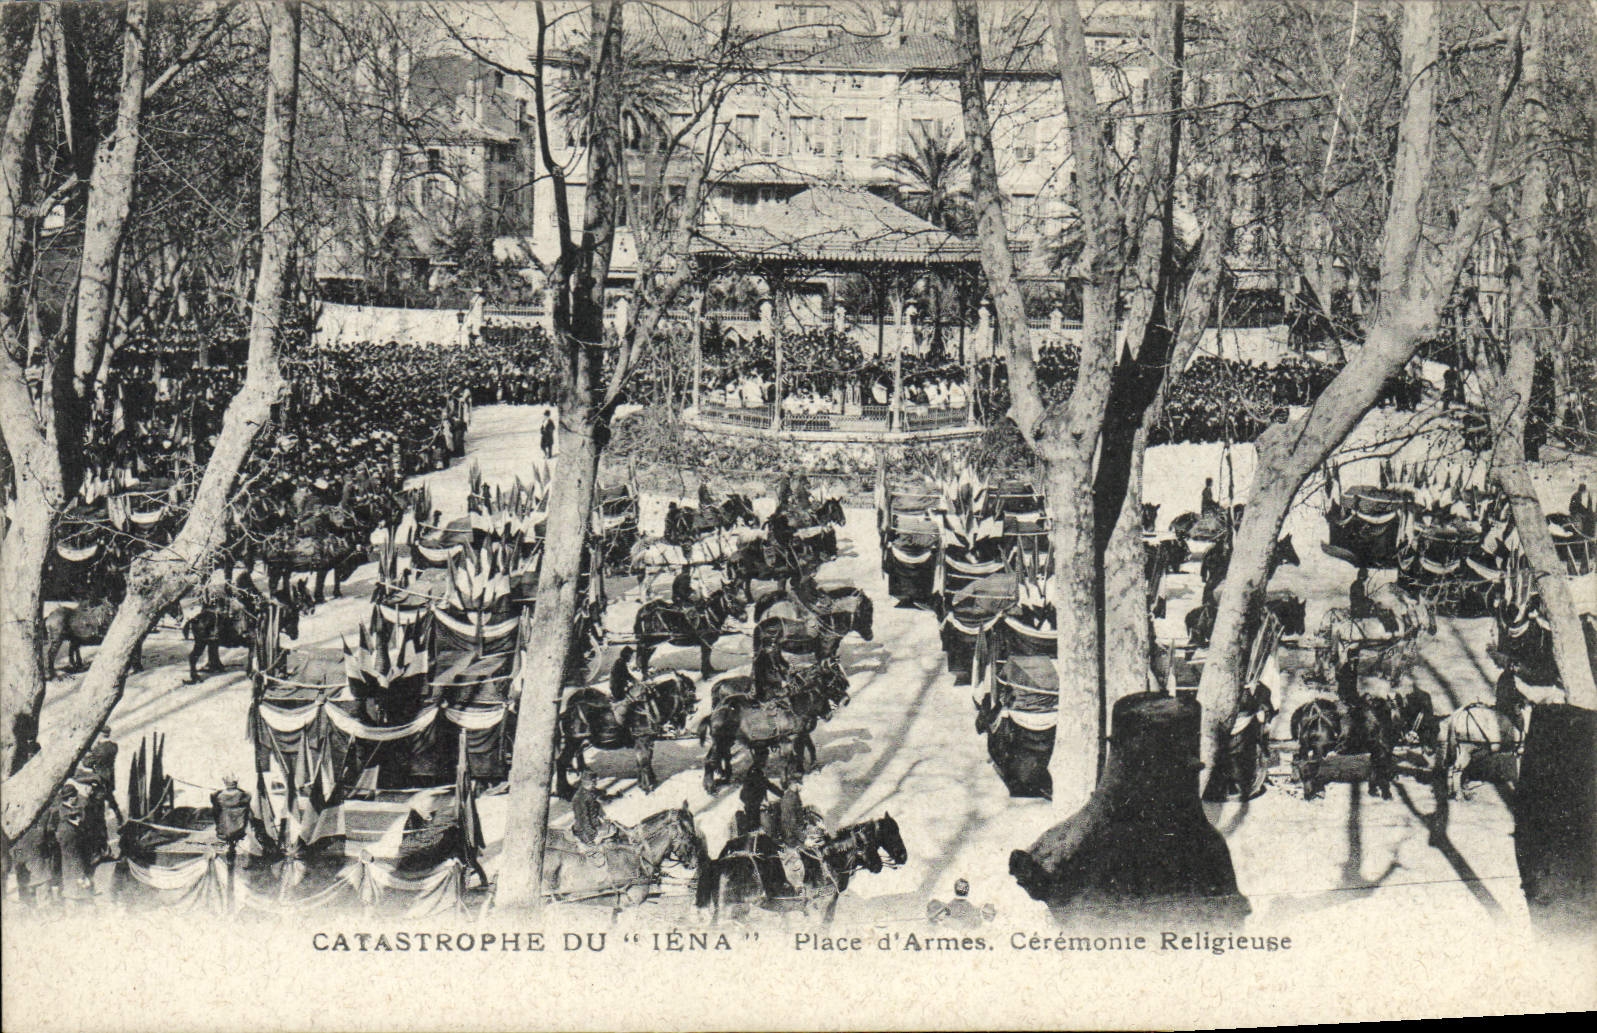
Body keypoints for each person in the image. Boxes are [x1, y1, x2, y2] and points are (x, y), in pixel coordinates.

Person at [571, 770, 621, 849]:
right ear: (590, 782)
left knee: (616, 829)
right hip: (584, 831)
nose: (596, 784)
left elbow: (600, 795)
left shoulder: (590, 791)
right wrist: (594, 834)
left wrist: (615, 796)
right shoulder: (580, 799)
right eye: (594, 782)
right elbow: (583, 821)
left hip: (595, 825)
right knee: (599, 850)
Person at [211, 776, 252, 862]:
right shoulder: (242, 794)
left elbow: (213, 798)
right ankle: (232, 850)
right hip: (238, 827)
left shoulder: (220, 795)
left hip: (225, 827)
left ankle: (230, 852)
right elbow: (248, 797)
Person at [927, 879, 995, 928]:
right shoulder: (975, 910)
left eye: (963, 887)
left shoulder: (946, 909)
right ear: (967, 890)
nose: (962, 889)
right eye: (961, 887)